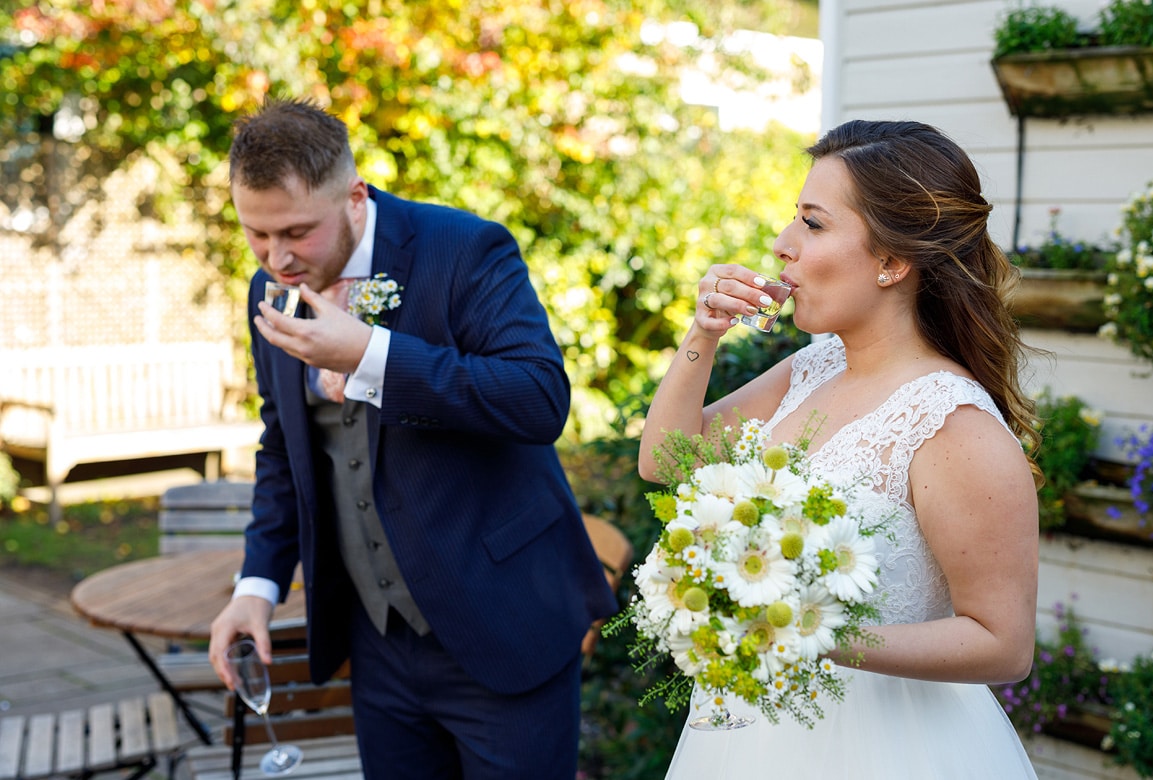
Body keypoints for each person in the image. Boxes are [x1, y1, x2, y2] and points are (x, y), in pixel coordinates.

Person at [207, 96, 617, 779]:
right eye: (256, 234)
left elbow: (539, 398)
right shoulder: (272, 290)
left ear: (355, 196)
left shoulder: (466, 250)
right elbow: (285, 448)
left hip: (502, 630)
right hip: (377, 646)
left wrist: (372, 356)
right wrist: (257, 585)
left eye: (297, 233)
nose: (275, 258)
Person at [638, 119, 1041, 778]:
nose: (781, 245)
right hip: (749, 736)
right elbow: (667, 461)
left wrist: (812, 630)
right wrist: (702, 337)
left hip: (889, 747)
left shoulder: (951, 423)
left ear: (891, 261)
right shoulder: (816, 366)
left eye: (813, 224)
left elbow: (1003, 644)